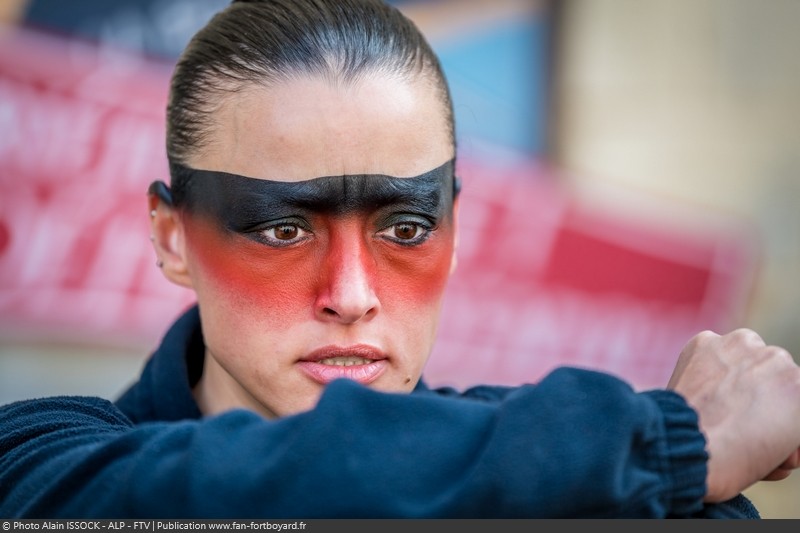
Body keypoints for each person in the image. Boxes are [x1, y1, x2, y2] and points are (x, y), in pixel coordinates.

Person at [2, 0, 800, 519]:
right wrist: (668, 443)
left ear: (458, 234)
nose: (351, 294)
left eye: (407, 228)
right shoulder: (44, 459)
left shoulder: (578, 465)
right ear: (173, 237)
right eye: (281, 229)